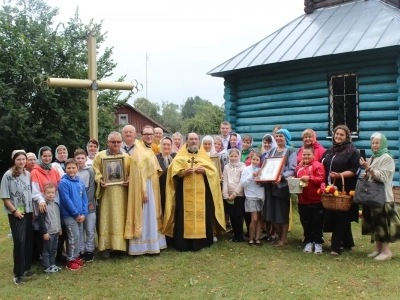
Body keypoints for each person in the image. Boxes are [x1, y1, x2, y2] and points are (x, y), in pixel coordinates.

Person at [163, 132, 225, 251]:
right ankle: (184, 244)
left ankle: (202, 243)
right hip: (184, 194)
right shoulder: (180, 156)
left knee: (203, 215)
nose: (194, 141)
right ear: (187, 141)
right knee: (183, 216)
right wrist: (182, 172)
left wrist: (205, 172)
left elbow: (214, 172)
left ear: (198, 141)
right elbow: (172, 171)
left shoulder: (203, 156)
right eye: (191, 139)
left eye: (196, 139)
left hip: (202, 195)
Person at [124, 125, 167, 255]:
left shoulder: (148, 150)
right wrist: (144, 191)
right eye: (146, 134)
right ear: (141, 135)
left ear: (154, 136)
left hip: (152, 186)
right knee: (145, 215)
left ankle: (153, 243)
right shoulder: (138, 151)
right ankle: (142, 246)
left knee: (152, 215)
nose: (149, 136)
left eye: (151, 134)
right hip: (145, 188)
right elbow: (138, 175)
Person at [360, 132, 400, 261]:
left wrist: (369, 168)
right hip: (373, 195)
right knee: (375, 222)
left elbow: (383, 177)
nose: (375, 145)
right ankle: (378, 249)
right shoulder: (373, 157)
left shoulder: (387, 157)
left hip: (383, 196)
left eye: (377, 143)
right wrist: (366, 174)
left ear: (382, 143)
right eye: (373, 143)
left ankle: (386, 251)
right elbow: (372, 174)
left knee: (382, 223)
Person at [322, 125, 360, 256]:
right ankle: (348, 242)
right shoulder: (330, 150)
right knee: (336, 215)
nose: (338, 136)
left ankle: (335, 247)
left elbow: (356, 169)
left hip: (345, 189)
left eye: (341, 135)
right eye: (336, 134)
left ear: (347, 137)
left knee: (341, 216)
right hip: (331, 187)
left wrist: (340, 175)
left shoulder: (352, 151)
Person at [93, 132, 130, 258]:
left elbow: (131, 173)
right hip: (107, 194)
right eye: (113, 142)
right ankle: (106, 247)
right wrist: (100, 180)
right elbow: (95, 171)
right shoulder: (99, 156)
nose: (116, 144)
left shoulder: (126, 157)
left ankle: (121, 247)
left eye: (118, 142)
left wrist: (129, 180)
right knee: (106, 218)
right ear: (107, 142)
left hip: (122, 193)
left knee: (121, 218)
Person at [1, 150, 34, 284]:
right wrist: (14, 211)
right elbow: (5, 197)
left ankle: (25, 268)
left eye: (23, 159)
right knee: (19, 241)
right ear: (14, 160)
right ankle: (18, 274)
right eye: (18, 159)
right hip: (16, 213)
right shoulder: (8, 175)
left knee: (27, 240)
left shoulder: (27, 174)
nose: (21, 162)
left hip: (28, 211)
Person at [263, 129, 297, 247]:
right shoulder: (272, 150)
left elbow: (292, 169)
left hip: (282, 186)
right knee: (270, 212)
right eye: (276, 136)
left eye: (281, 136)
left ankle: (283, 238)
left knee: (281, 212)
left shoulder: (291, 151)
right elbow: (266, 166)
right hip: (269, 185)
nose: (278, 138)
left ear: (286, 137)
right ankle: (279, 236)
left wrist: (281, 177)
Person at [31, 146, 62, 262]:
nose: (47, 158)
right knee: (44, 232)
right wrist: (42, 200)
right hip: (42, 204)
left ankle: (55, 258)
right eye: (45, 156)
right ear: (40, 156)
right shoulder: (35, 171)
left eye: (49, 156)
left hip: (54, 204)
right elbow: (34, 191)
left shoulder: (54, 170)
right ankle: (43, 259)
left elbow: (58, 187)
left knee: (56, 234)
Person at [59, 158, 88, 271]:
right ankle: (70, 260)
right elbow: (66, 200)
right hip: (70, 215)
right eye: (69, 168)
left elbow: (84, 198)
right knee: (73, 237)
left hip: (81, 215)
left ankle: (76, 257)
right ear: (65, 169)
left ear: (77, 168)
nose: (71, 170)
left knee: (78, 237)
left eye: (73, 167)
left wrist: (84, 213)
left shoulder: (79, 181)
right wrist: (76, 214)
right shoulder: (63, 182)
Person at [295, 147, 325, 254]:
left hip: (316, 200)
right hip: (302, 200)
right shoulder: (298, 167)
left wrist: (309, 178)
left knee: (317, 222)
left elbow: (322, 179)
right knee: (305, 222)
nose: (306, 157)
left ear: (313, 155)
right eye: (304, 154)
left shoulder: (318, 165)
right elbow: (296, 180)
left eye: (308, 155)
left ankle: (318, 243)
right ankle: (308, 241)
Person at [75, 149, 96, 262]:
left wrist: (87, 203)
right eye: (78, 158)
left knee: (90, 228)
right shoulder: (73, 171)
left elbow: (91, 187)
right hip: (77, 205)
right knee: (80, 229)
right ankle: (81, 250)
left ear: (86, 158)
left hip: (89, 204)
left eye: (82, 158)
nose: (80, 160)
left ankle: (90, 250)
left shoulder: (90, 171)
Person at [240, 152, 265, 245]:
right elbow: (242, 183)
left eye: (257, 160)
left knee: (259, 218)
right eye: (253, 159)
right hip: (250, 197)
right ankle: (251, 238)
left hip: (259, 196)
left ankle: (257, 238)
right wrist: (252, 176)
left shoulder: (261, 170)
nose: (255, 161)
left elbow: (263, 182)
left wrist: (260, 182)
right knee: (254, 218)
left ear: (260, 161)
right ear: (250, 159)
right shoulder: (246, 170)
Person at [222, 149, 245, 242]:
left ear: (239, 156)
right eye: (231, 156)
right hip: (228, 194)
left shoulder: (243, 167)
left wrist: (235, 194)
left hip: (238, 195)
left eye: (235, 156)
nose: (233, 158)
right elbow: (225, 181)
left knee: (238, 216)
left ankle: (240, 236)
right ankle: (235, 234)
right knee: (232, 215)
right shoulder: (227, 167)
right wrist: (225, 194)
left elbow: (242, 182)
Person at [38, 183, 62, 273]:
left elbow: (57, 218)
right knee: (47, 250)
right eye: (48, 193)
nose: (50, 194)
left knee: (53, 249)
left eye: (52, 192)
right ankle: (47, 267)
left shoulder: (56, 205)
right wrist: (44, 232)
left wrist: (59, 229)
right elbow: (41, 220)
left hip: (55, 232)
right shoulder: (44, 206)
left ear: (55, 193)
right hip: (48, 233)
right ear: (44, 194)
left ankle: (52, 264)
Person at [260, 133, 277, 242]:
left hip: (273, 184)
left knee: (273, 208)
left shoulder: (274, 154)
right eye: (265, 143)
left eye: (269, 143)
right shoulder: (262, 155)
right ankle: (268, 231)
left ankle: (274, 233)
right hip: (264, 184)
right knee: (266, 208)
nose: (266, 145)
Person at [156, 137, 176, 213]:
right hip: (161, 188)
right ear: (161, 145)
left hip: (174, 188)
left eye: (168, 144)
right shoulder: (156, 158)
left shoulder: (176, 157)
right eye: (164, 144)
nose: (166, 147)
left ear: (171, 146)